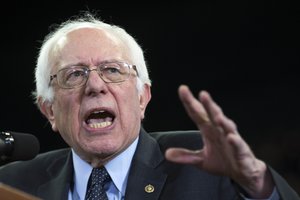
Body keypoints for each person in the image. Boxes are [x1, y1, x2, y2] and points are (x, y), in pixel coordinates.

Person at [0, 11, 298, 200]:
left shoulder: (205, 166)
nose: (94, 85)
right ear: (49, 110)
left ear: (142, 98)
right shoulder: (12, 185)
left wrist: (258, 185)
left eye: (113, 70)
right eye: (74, 74)